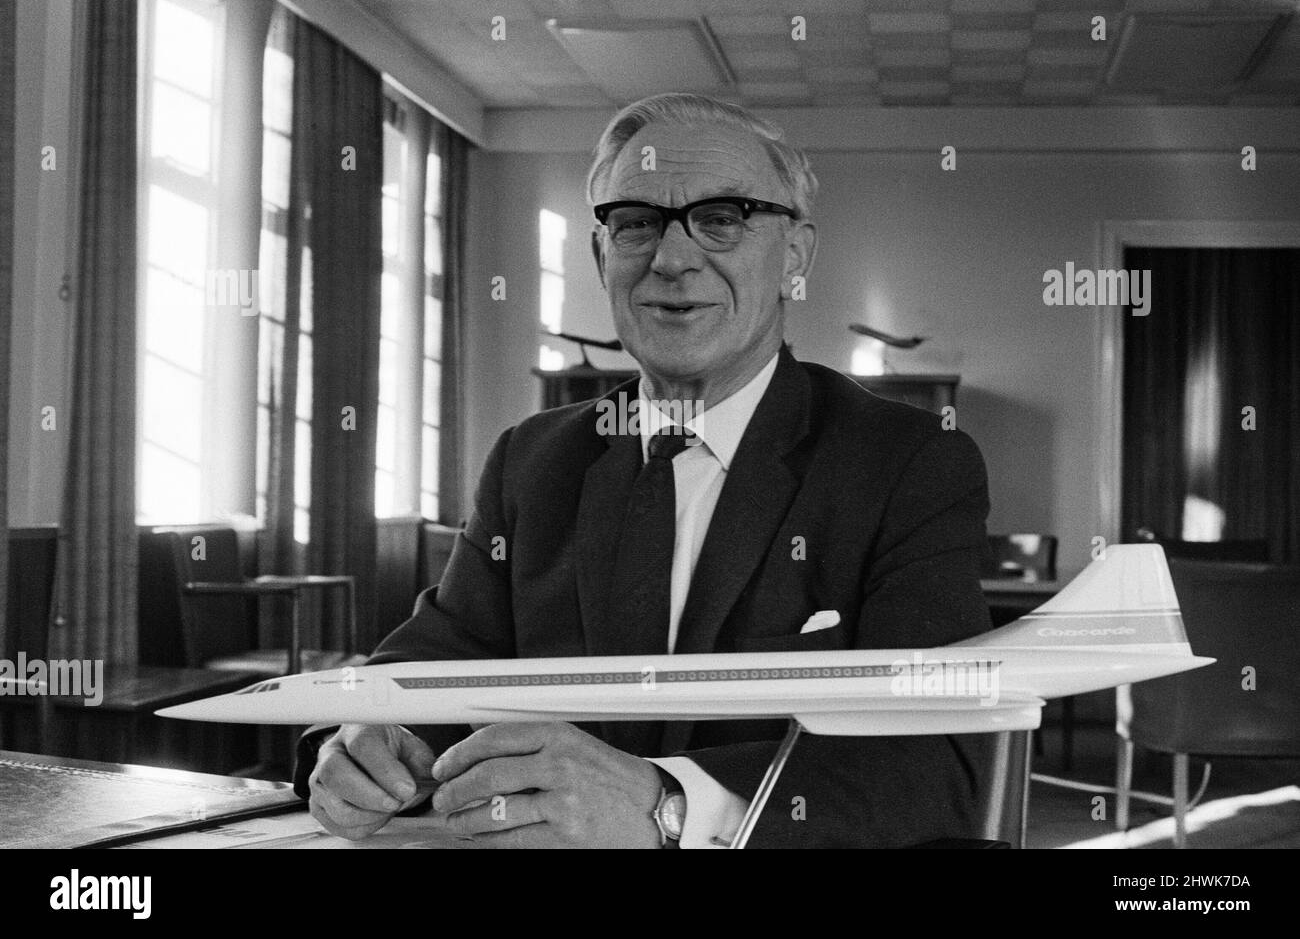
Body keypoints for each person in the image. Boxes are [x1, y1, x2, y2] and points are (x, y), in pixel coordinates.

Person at [296, 92, 994, 848]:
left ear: (795, 257)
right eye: (635, 223)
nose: (671, 258)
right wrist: (368, 741)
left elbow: (932, 772)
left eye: (722, 218)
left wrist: (668, 806)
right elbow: (427, 671)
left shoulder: (907, 464)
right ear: (603, 256)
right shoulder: (532, 462)